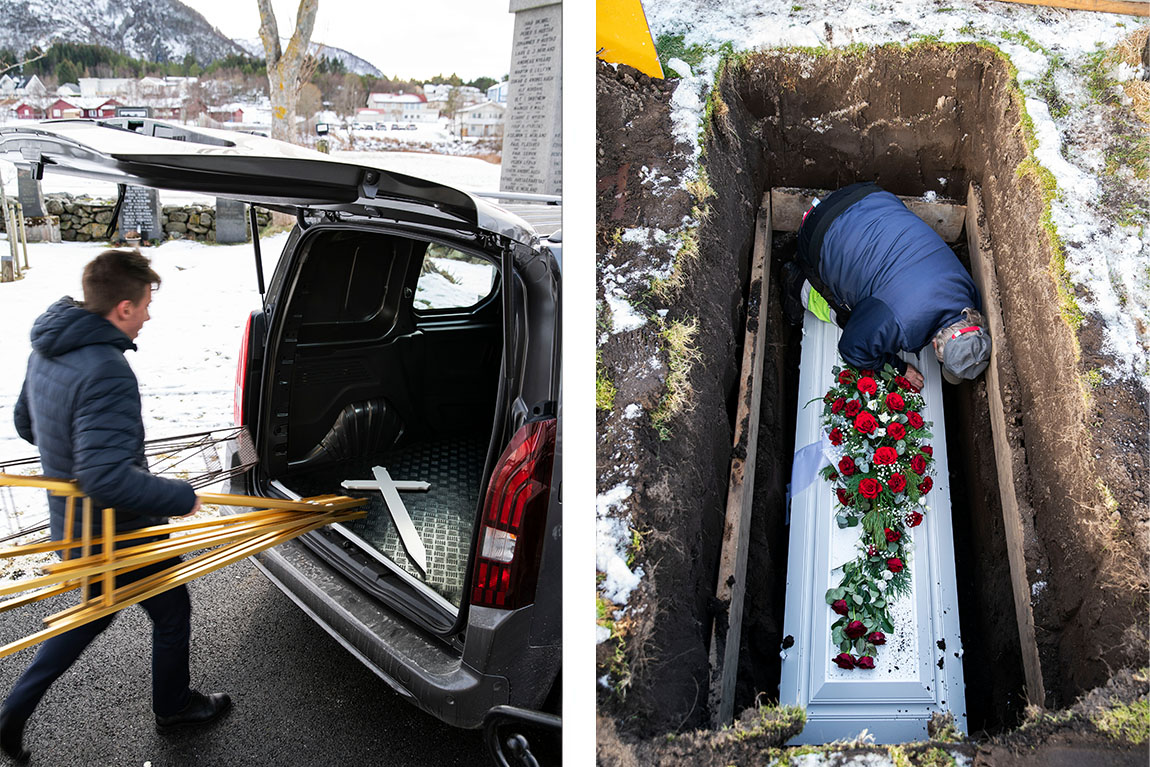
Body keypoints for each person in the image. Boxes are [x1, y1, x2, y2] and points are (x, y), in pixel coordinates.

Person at [0, 250, 230, 764]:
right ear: (123, 307)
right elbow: (105, 478)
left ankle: (13, 712)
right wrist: (180, 496)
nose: (149, 315)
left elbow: (26, 424)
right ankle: (173, 707)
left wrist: (68, 450)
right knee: (167, 611)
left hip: (74, 524)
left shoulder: (47, 346)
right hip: (118, 527)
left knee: (100, 614)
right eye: (146, 304)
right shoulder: (107, 369)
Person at [782, 181, 991, 390]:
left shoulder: (967, 290)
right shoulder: (897, 319)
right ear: (935, 345)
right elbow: (852, 348)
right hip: (818, 230)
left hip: (870, 197)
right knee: (849, 316)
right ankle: (796, 284)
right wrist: (898, 368)